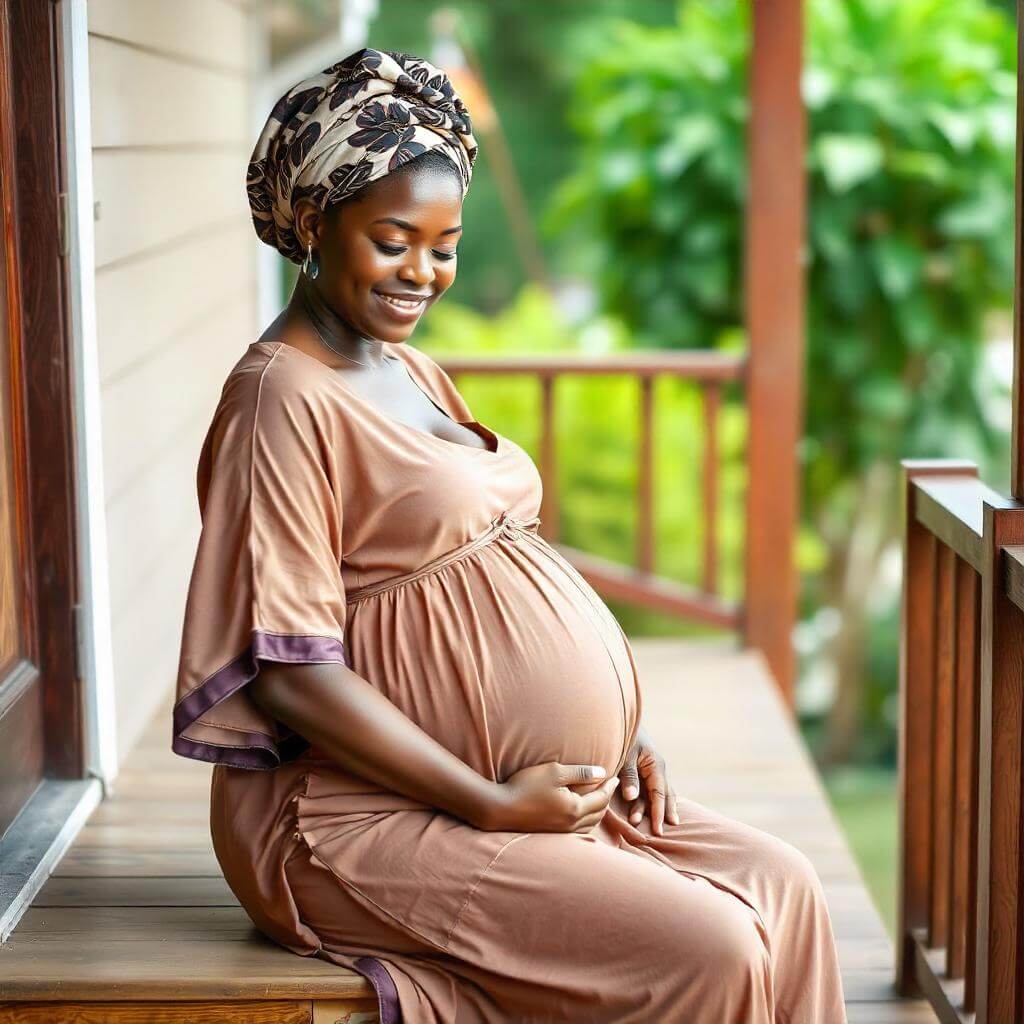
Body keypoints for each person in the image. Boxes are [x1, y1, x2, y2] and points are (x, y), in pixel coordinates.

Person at [172, 46, 848, 1024]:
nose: (423, 272)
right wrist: (487, 802)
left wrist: (620, 732)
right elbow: (288, 672)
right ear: (317, 224)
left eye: (443, 245)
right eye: (393, 239)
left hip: (503, 786)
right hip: (356, 817)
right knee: (709, 950)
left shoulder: (405, 369)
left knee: (782, 886)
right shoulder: (281, 400)